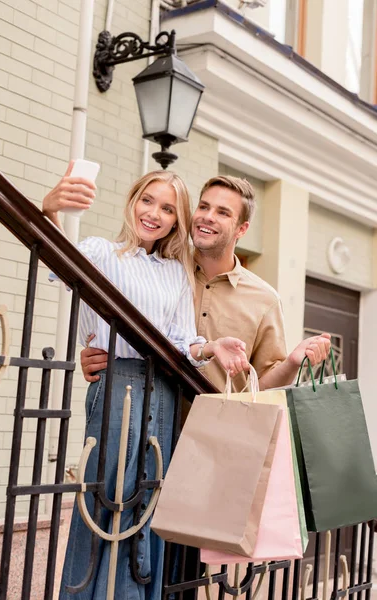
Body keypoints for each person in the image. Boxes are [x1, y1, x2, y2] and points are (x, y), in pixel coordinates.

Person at [42, 165, 249, 600]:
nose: (154, 213)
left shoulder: (175, 272)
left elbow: (181, 341)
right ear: (133, 200)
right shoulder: (100, 252)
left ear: (177, 221)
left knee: (148, 500)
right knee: (104, 497)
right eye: (147, 200)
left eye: (168, 208)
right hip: (115, 387)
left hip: (164, 395)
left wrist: (212, 348)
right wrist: (50, 209)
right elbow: (58, 262)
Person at [81, 175, 331, 392]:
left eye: (223, 213)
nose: (207, 217)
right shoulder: (161, 270)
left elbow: (263, 387)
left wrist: (293, 363)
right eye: (203, 207)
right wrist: (102, 354)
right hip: (152, 415)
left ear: (241, 229)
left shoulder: (265, 300)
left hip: (215, 434)